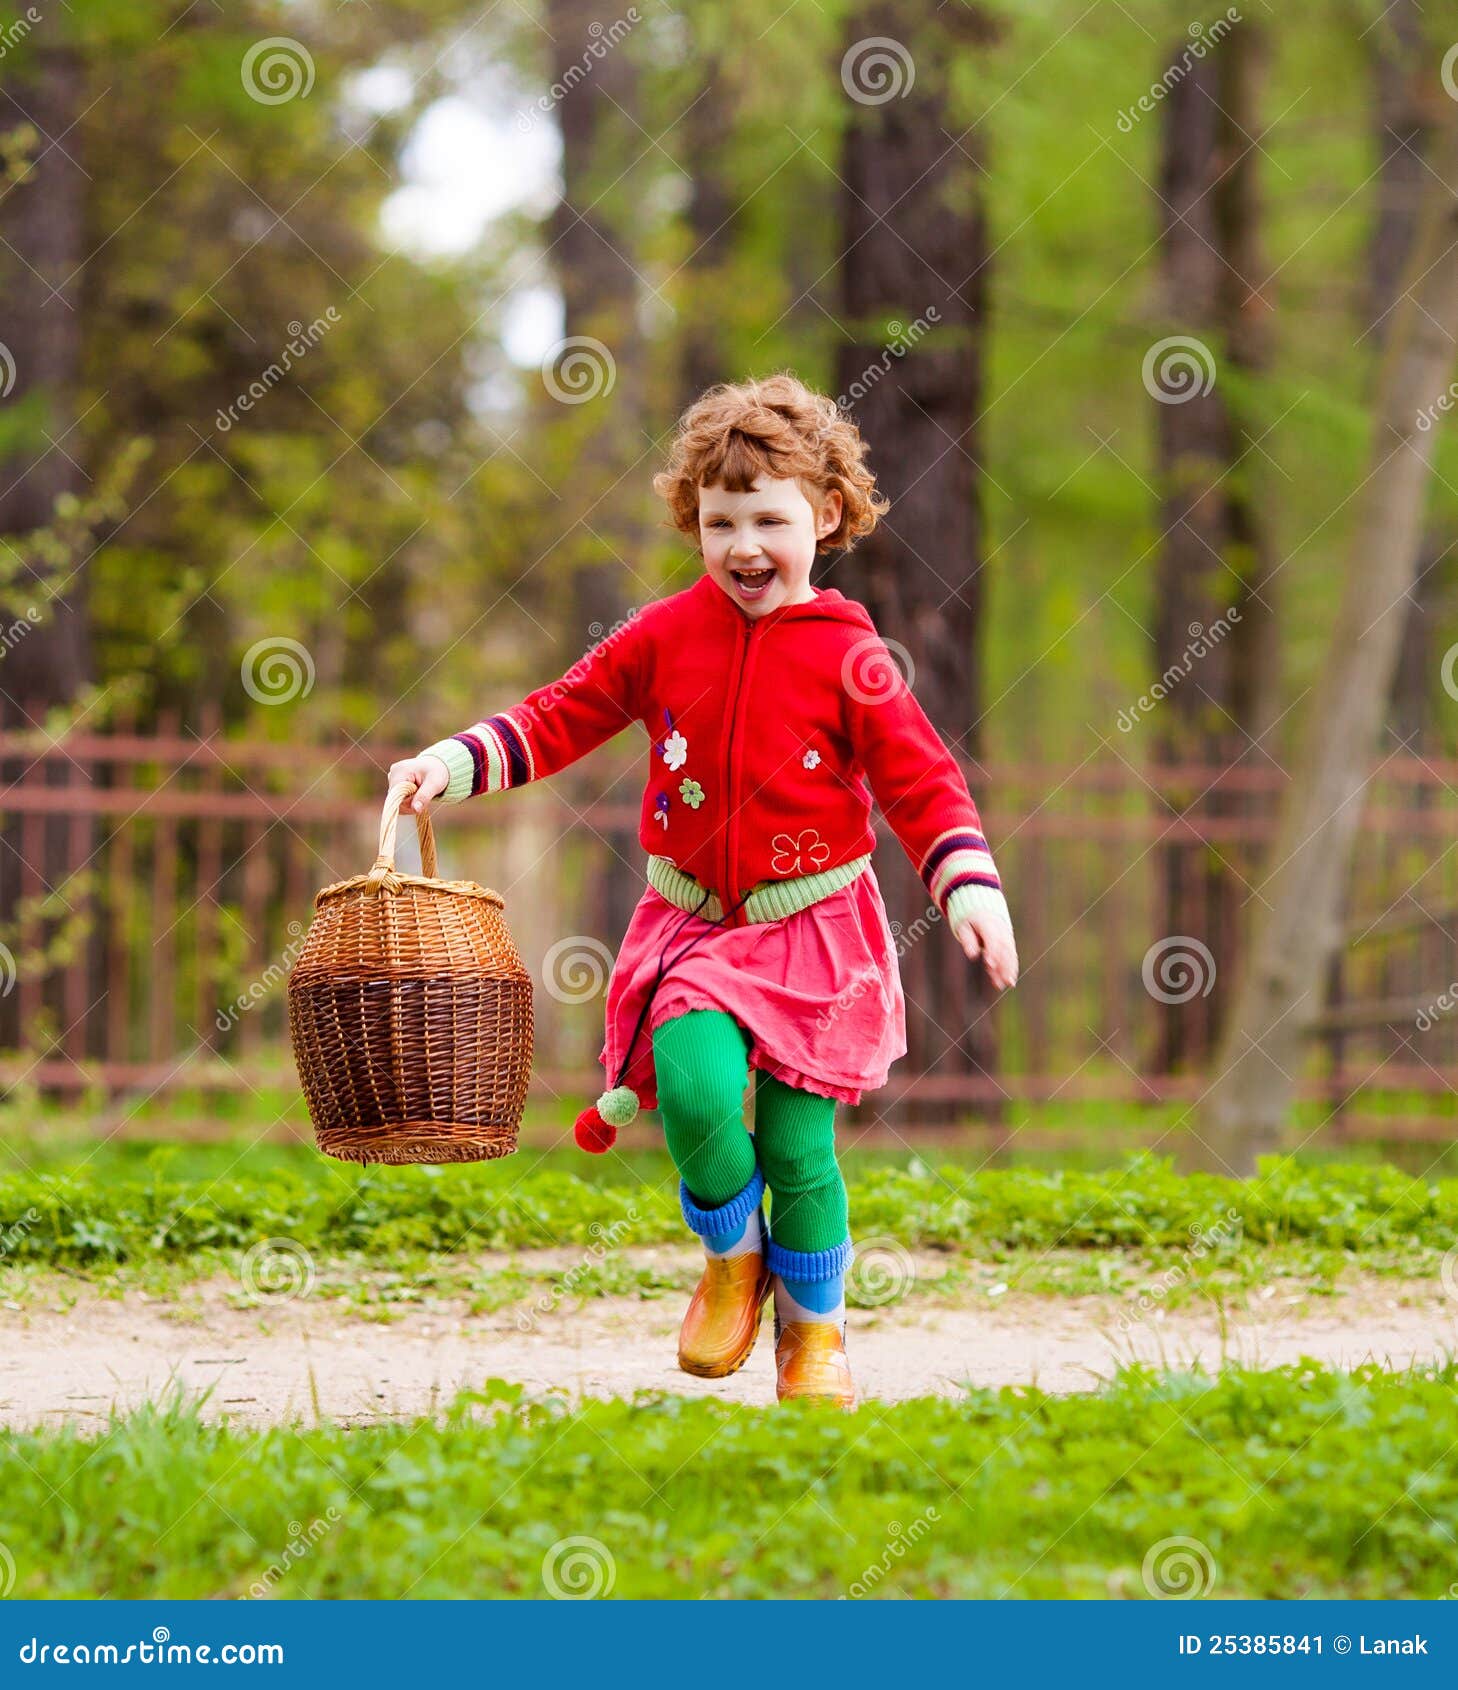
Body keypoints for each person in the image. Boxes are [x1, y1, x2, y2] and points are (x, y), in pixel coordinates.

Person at [388, 372, 1017, 1410]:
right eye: (720, 522)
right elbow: (558, 715)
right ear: (696, 522)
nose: (743, 546)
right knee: (688, 1088)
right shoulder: (664, 635)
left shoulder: (850, 655)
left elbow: (920, 779)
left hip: (813, 930)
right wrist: (447, 764)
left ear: (823, 516)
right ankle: (734, 1257)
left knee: (799, 1145)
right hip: (693, 929)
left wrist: (969, 884)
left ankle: (815, 1336)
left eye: (769, 518)